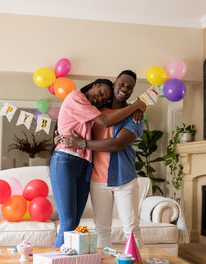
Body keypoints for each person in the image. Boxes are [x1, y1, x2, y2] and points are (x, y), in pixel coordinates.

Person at [50, 78, 147, 247]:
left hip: (87, 165)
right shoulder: (78, 99)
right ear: (95, 84)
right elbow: (105, 121)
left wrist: (139, 107)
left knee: (74, 224)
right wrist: (137, 105)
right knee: (69, 224)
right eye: (101, 93)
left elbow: (116, 143)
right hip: (67, 161)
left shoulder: (100, 109)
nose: (100, 99)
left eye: (104, 99)